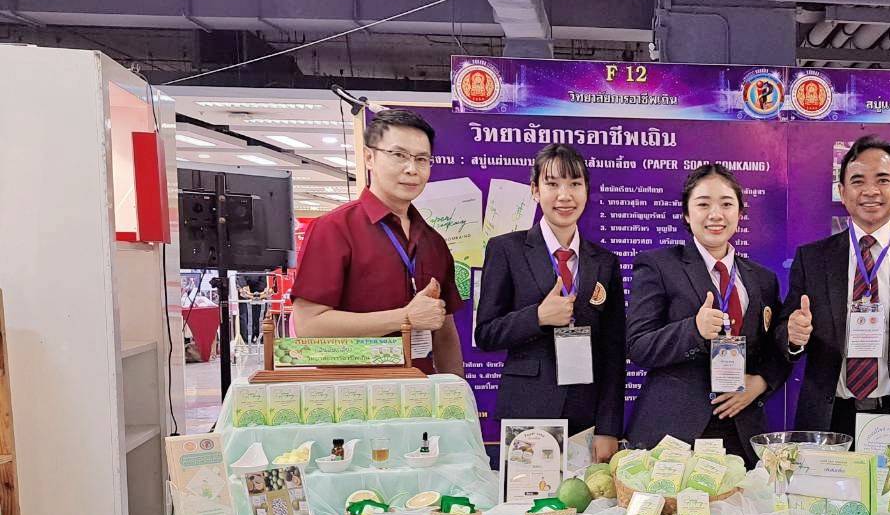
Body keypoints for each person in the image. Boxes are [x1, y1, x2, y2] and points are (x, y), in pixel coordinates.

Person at [779, 135, 890, 444]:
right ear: (842, 192)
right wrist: (793, 336)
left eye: (882, 180)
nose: (870, 191)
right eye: (858, 181)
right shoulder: (812, 258)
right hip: (830, 417)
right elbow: (785, 332)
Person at [475, 144, 626, 465]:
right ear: (535, 190)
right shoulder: (506, 250)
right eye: (552, 184)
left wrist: (609, 427)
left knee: (587, 496)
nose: (564, 195)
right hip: (527, 409)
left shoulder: (605, 262)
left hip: (587, 413)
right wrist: (538, 317)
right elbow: (485, 334)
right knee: (526, 498)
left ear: (586, 190)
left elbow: (614, 351)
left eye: (575, 184)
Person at [627, 163, 787, 464]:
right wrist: (694, 330)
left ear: (740, 213)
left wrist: (762, 381)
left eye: (726, 204)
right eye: (703, 204)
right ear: (687, 214)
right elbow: (638, 346)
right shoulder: (658, 265)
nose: (716, 214)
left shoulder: (762, 279)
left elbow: (776, 349)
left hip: (742, 431)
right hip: (674, 434)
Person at [291, 108, 463, 376]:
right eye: (399, 155)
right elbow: (309, 326)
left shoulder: (433, 241)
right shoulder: (334, 229)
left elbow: (444, 329)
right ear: (369, 157)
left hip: (421, 391)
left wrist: (456, 390)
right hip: (355, 391)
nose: (411, 169)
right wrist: (404, 317)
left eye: (421, 159)